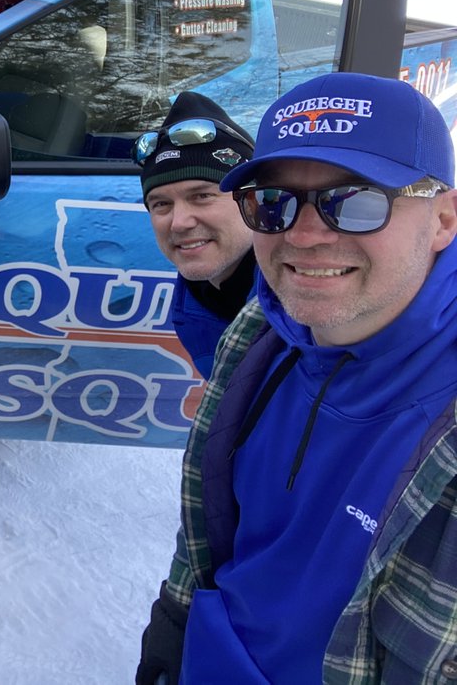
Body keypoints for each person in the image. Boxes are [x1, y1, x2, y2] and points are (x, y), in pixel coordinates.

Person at [135, 72, 457, 684]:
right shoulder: (260, 330)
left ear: (443, 218)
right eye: (272, 202)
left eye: (358, 199)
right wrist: (175, 623)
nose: (305, 237)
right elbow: (208, 524)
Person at [134, 92, 256, 378]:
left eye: (201, 196)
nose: (179, 223)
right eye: (161, 204)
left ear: (251, 202)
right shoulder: (196, 302)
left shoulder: (307, 309)